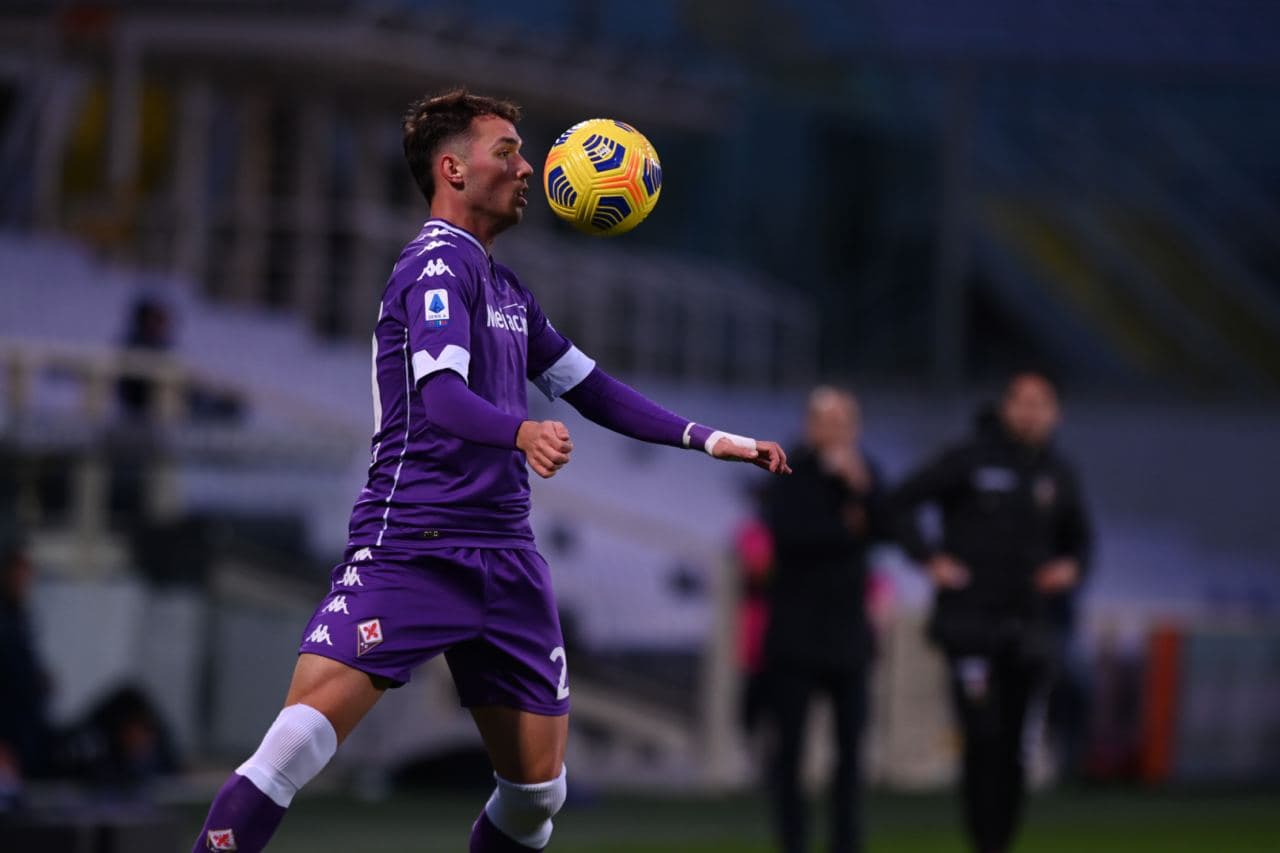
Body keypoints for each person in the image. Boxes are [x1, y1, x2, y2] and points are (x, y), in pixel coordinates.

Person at [189, 89, 791, 853]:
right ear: (453, 168)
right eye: (506, 151)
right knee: (295, 743)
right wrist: (521, 430)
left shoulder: (506, 289)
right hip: (415, 544)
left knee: (539, 792)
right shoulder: (435, 267)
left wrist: (708, 438)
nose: (528, 166)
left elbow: (593, 387)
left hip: (505, 554)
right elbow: (442, 399)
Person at [892, 372, 1092, 853]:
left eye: (1040, 403)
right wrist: (928, 557)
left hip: (1029, 631)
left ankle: (999, 843)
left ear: (1055, 414)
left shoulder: (1057, 474)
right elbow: (899, 503)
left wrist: (1070, 568)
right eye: (1021, 401)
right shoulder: (969, 458)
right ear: (1005, 406)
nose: (1029, 411)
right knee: (982, 739)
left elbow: (1081, 542)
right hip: (970, 627)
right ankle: (983, 843)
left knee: (1016, 752)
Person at [758, 387, 887, 853]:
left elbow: (886, 527)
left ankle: (846, 844)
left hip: (849, 637)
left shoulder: (866, 474)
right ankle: (792, 844)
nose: (833, 432)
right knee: (788, 756)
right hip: (794, 635)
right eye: (825, 421)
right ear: (810, 426)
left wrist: (859, 493)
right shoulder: (786, 471)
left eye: (842, 422)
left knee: (851, 758)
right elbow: (792, 537)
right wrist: (849, 529)